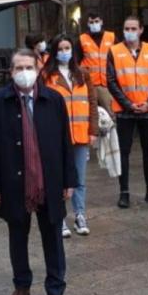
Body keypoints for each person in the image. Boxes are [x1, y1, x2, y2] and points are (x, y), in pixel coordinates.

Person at [0, 49, 77, 295]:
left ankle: (55, 292)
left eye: (29, 67)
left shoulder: (54, 99)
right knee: (17, 235)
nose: (24, 72)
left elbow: (65, 143)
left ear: (38, 69)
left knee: (53, 237)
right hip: (14, 180)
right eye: (18, 68)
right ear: (11, 72)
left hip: (49, 179)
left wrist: (69, 179)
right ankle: (21, 286)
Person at [106, 16, 148, 209]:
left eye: (133, 28)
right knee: (123, 151)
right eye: (126, 28)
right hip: (126, 111)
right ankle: (124, 192)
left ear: (141, 30)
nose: (130, 31)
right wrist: (127, 104)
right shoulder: (114, 51)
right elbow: (111, 80)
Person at [44, 35, 97, 238]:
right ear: (54, 51)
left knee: (79, 178)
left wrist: (93, 131)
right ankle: (60, 218)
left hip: (81, 133)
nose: (65, 52)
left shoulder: (83, 74)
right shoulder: (47, 76)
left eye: (68, 48)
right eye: (61, 48)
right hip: (57, 136)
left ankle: (80, 214)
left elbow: (92, 103)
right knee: (58, 179)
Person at [79, 13, 116, 112]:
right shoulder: (82, 39)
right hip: (89, 84)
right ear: (87, 23)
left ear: (101, 22)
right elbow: (76, 61)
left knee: (111, 112)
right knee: (90, 112)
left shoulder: (111, 37)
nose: (94, 24)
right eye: (91, 22)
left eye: (96, 21)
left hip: (106, 83)